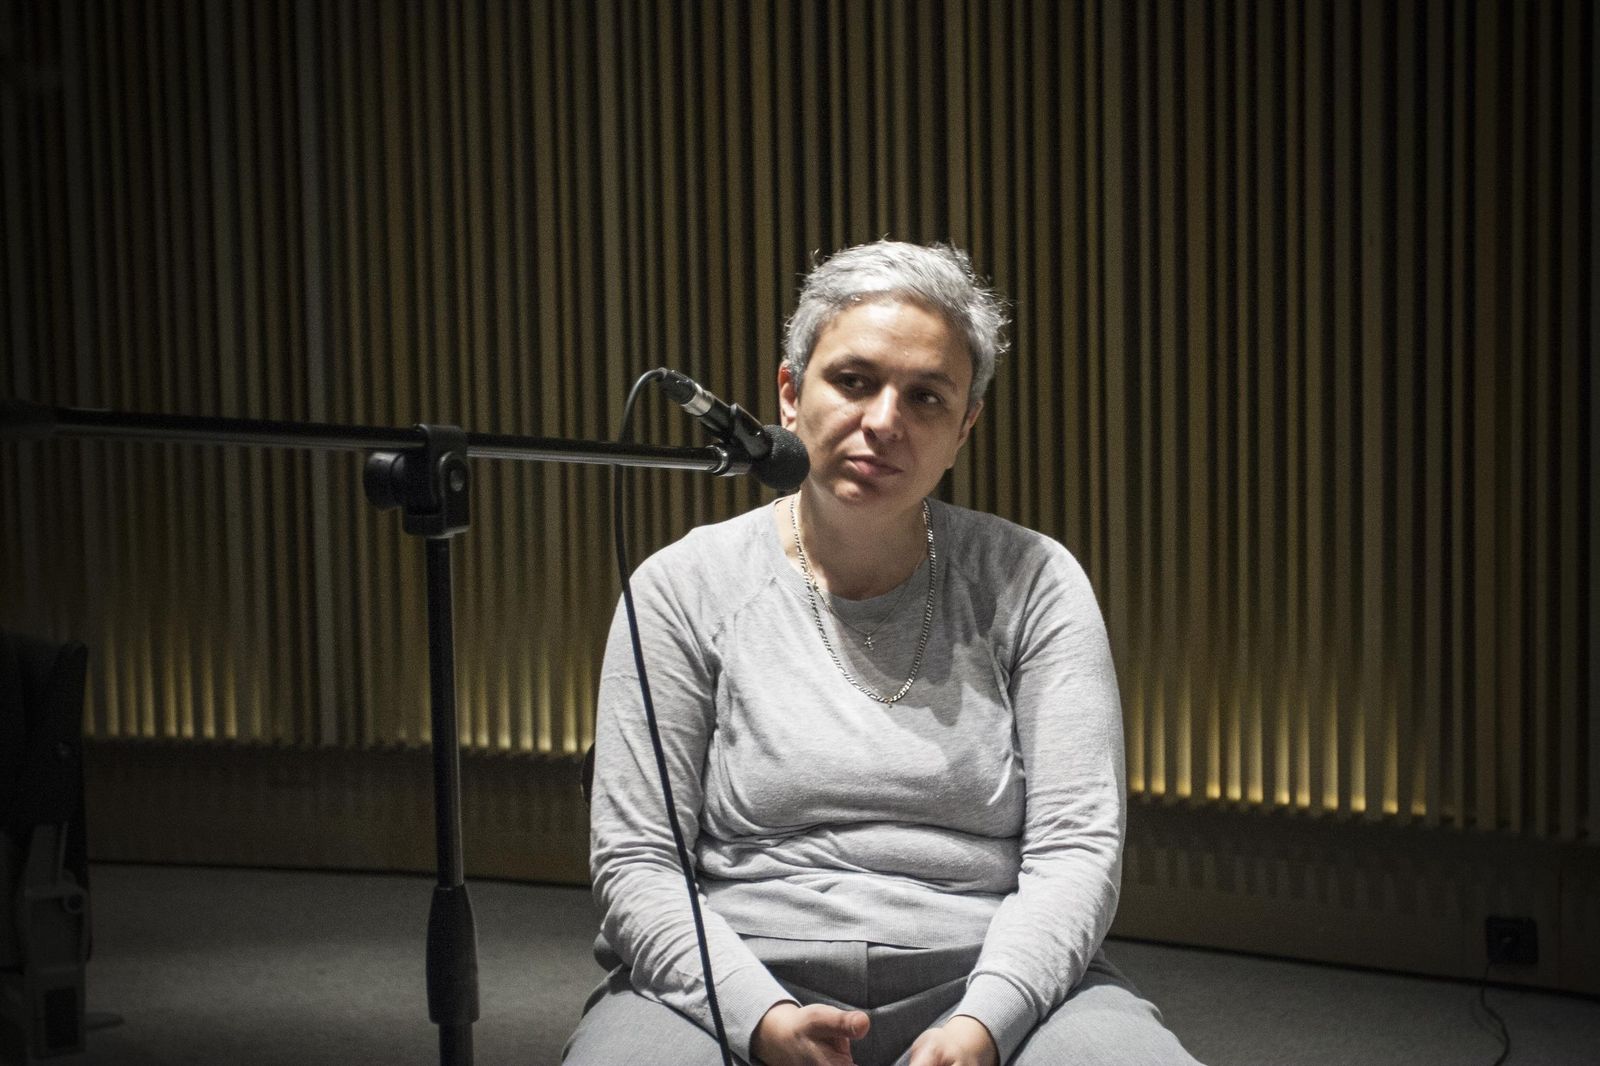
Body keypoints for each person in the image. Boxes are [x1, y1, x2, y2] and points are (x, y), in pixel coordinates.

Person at [564, 240, 1200, 1066]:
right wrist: (758, 1020)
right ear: (790, 396)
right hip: (733, 968)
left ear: (963, 429)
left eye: (927, 397)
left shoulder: (1034, 581)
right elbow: (637, 861)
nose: (884, 421)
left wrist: (982, 1028)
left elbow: (1076, 852)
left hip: (986, 972)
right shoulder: (682, 585)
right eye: (854, 381)